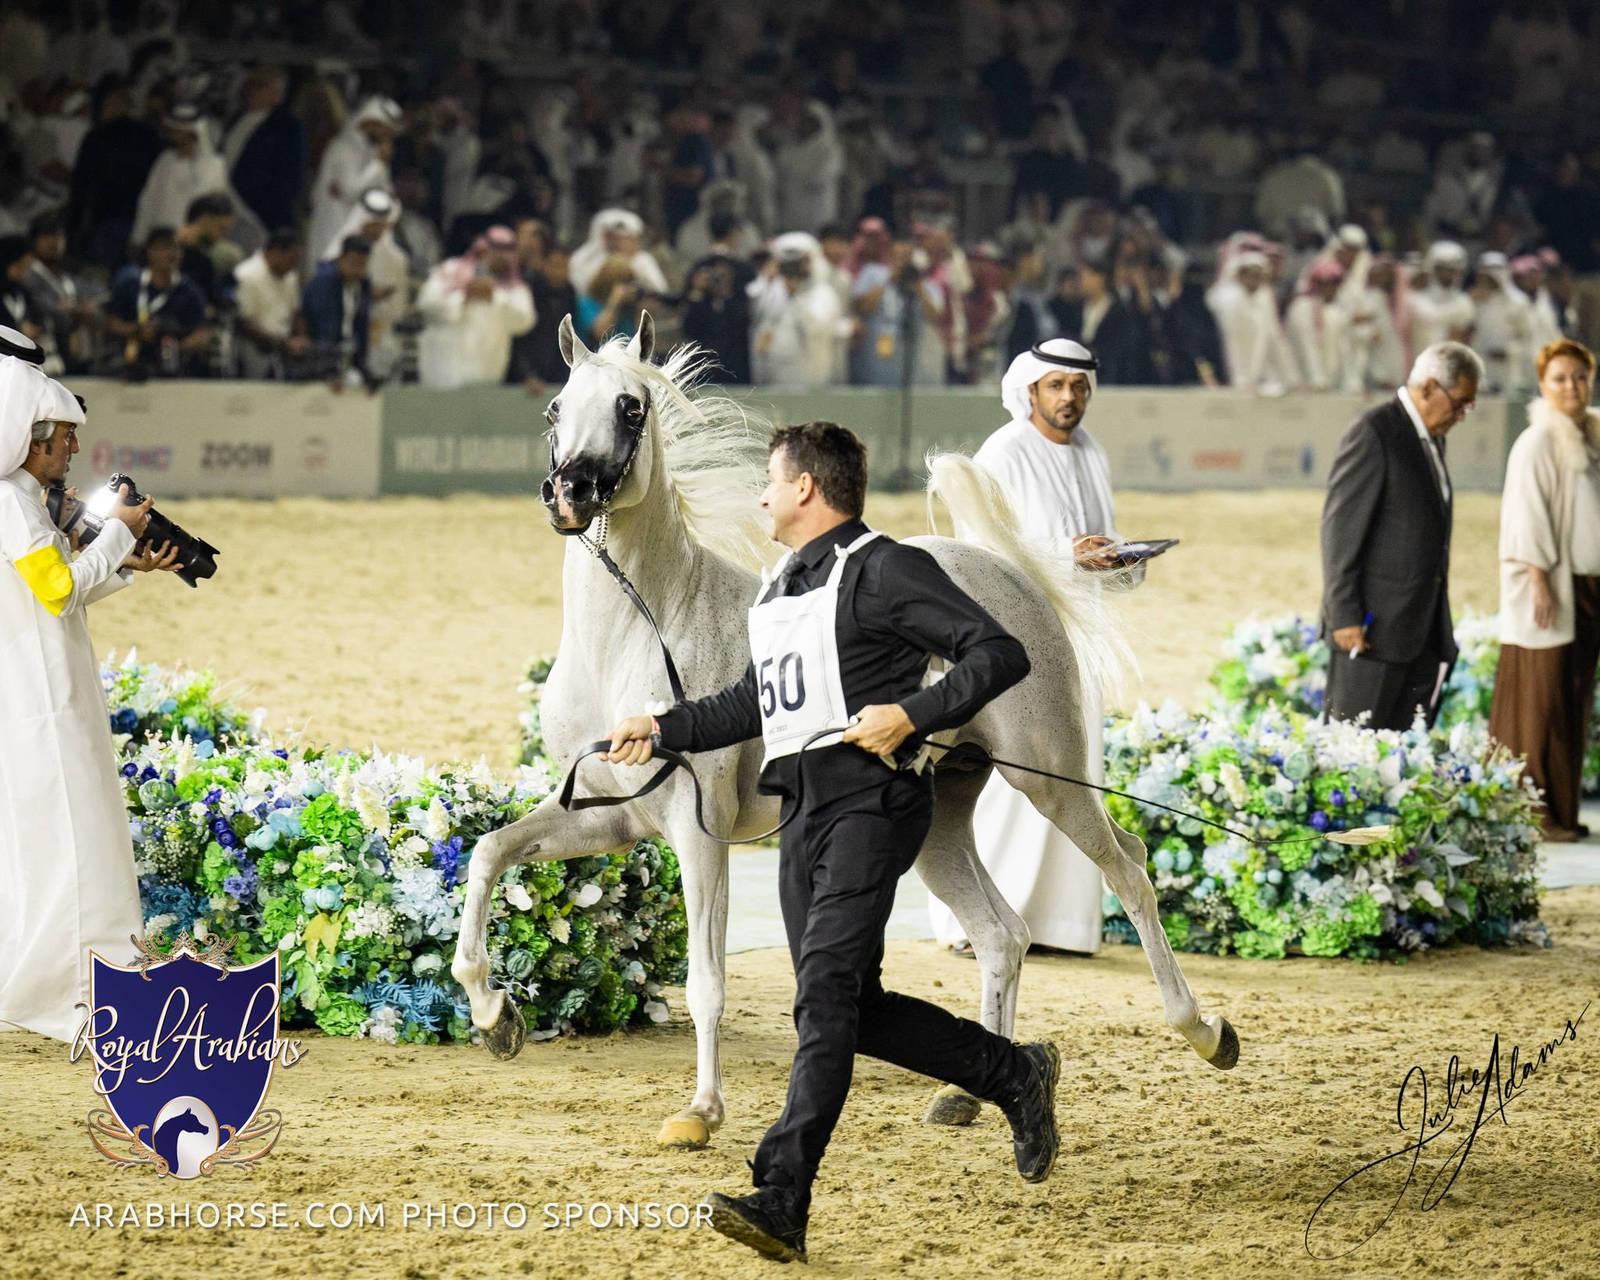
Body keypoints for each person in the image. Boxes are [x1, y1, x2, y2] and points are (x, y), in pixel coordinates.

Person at [602, 421, 1061, 1263]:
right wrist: (659, 727)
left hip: (875, 805)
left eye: (771, 482)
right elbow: (751, 705)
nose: (763, 496)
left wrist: (914, 714)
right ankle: (1012, 1072)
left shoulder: (887, 568)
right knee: (852, 1010)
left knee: (820, 1004)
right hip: (803, 812)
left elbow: (1000, 653)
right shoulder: (780, 586)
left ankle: (783, 1194)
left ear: (808, 488)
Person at [0, 333, 183, 1041]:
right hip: (42, 702)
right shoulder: (13, 505)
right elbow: (57, 591)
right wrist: (114, 532)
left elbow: (59, 595)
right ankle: (83, 995)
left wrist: (132, 564)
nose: (75, 448)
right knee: (75, 839)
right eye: (67, 437)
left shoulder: (19, 497)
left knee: (62, 839)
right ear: (32, 436)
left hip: (43, 688)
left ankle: (75, 981)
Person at [929, 340, 1129, 957]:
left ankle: (1060, 926)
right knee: (1010, 777)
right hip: (1012, 637)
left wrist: (1120, 555)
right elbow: (976, 552)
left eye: (1079, 386)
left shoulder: (1091, 452)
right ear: (1031, 390)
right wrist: (1066, 556)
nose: (1070, 397)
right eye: (1057, 386)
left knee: (1076, 771)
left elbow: (1102, 538)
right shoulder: (1003, 452)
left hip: (1083, 630)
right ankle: (980, 919)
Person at [1321, 341, 1485, 731]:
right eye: (1460, 402)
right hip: (1370, 634)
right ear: (1428, 387)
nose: (1463, 415)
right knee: (1353, 757)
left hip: (1420, 631)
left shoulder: (1432, 437)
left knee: (1403, 761)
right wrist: (1344, 615)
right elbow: (1339, 531)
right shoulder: (1374, 432)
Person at [1489, 339, 1600, 841]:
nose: (1571, 387)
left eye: (1579, 377)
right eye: (1560, 378)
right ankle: (1536, 814)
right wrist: (1539, 582)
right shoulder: (1537, 441)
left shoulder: (1592, 436)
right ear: (1542, 385)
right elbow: (1527, 517)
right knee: (1542, 696)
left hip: (1588, 589)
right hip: (1554, 585)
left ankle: (1564, 809)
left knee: (1572, 699)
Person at [415, 225, 534, 388]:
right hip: (442, 372)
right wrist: (464, 297)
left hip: (486, 376)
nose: (498, 256)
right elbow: (426, 303)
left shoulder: (515, 288)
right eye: (494, 249)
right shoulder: (449, 270)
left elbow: (525, 322)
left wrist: (494, 297)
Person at [307, 95, 401, 272]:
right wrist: (379, 164)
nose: (388, 136)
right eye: (386, 130)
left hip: (354, 226)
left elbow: (383, 192)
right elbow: (351, 191)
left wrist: (381, 164)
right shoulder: (343, 147)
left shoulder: (370, 149)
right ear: (372, 123)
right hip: (332, 223)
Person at [104, 228, 212, 377]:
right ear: (150, 251)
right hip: (130, 360)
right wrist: (136, 330)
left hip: (176, 366)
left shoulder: (189, 290)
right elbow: (111, 323)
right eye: (166, 247)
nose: (173, 253)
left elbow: (203, 334)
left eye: (178, 247)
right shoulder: (130, 284)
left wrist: (176, 348)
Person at [129, 103, 229, 254]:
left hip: (190, 247)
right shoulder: (165, 160)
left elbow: (214, 212)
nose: (172, 135)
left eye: (177, 131)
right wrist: (138, 237)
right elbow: (148, 199)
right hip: (157, 240)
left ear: (192, 133)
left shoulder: (214, 165)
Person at [224, 65, 306, 236]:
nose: (251, 90)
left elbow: (290, 177)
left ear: (277, 94)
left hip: (261, 214)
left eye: (259, 85)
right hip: (228, 206)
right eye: (250, 84)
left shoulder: (288, 127)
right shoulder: (236, 118)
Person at [233, 228, 309, 379]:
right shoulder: (246, 275)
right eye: (291, 260)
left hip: (284, 350)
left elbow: (296, 312)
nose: (294, 266)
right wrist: (281, 343)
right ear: (274, 253)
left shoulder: (290, 276)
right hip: (254, 347)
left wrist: (301, 337)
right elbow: (243, 322)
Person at [301, 233, 374, 385]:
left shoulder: (363, 284)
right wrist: (329, 370)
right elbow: (324, 328)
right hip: (318, 356)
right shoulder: (324, 282)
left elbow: (361, 326)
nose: (357, 270)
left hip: (346, 353)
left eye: (362, 264)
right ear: (341, 258)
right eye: (353, 263)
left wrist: (362, 364)